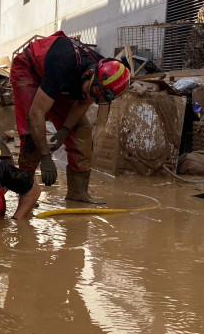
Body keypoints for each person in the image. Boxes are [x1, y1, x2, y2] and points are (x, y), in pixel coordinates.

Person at [11, 31, 130, 204]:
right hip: (29, 69)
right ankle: (26, 191)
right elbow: (36, 113)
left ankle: (78, 192)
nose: (94, 98)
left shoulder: (99, 79)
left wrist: (65, 129)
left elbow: (83, 103)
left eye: (100, 99)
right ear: (90, 74)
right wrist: (45, 157)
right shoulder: (63, 65)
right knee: (31, 134)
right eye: (95, 93)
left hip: (63, 78)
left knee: (81, 130)